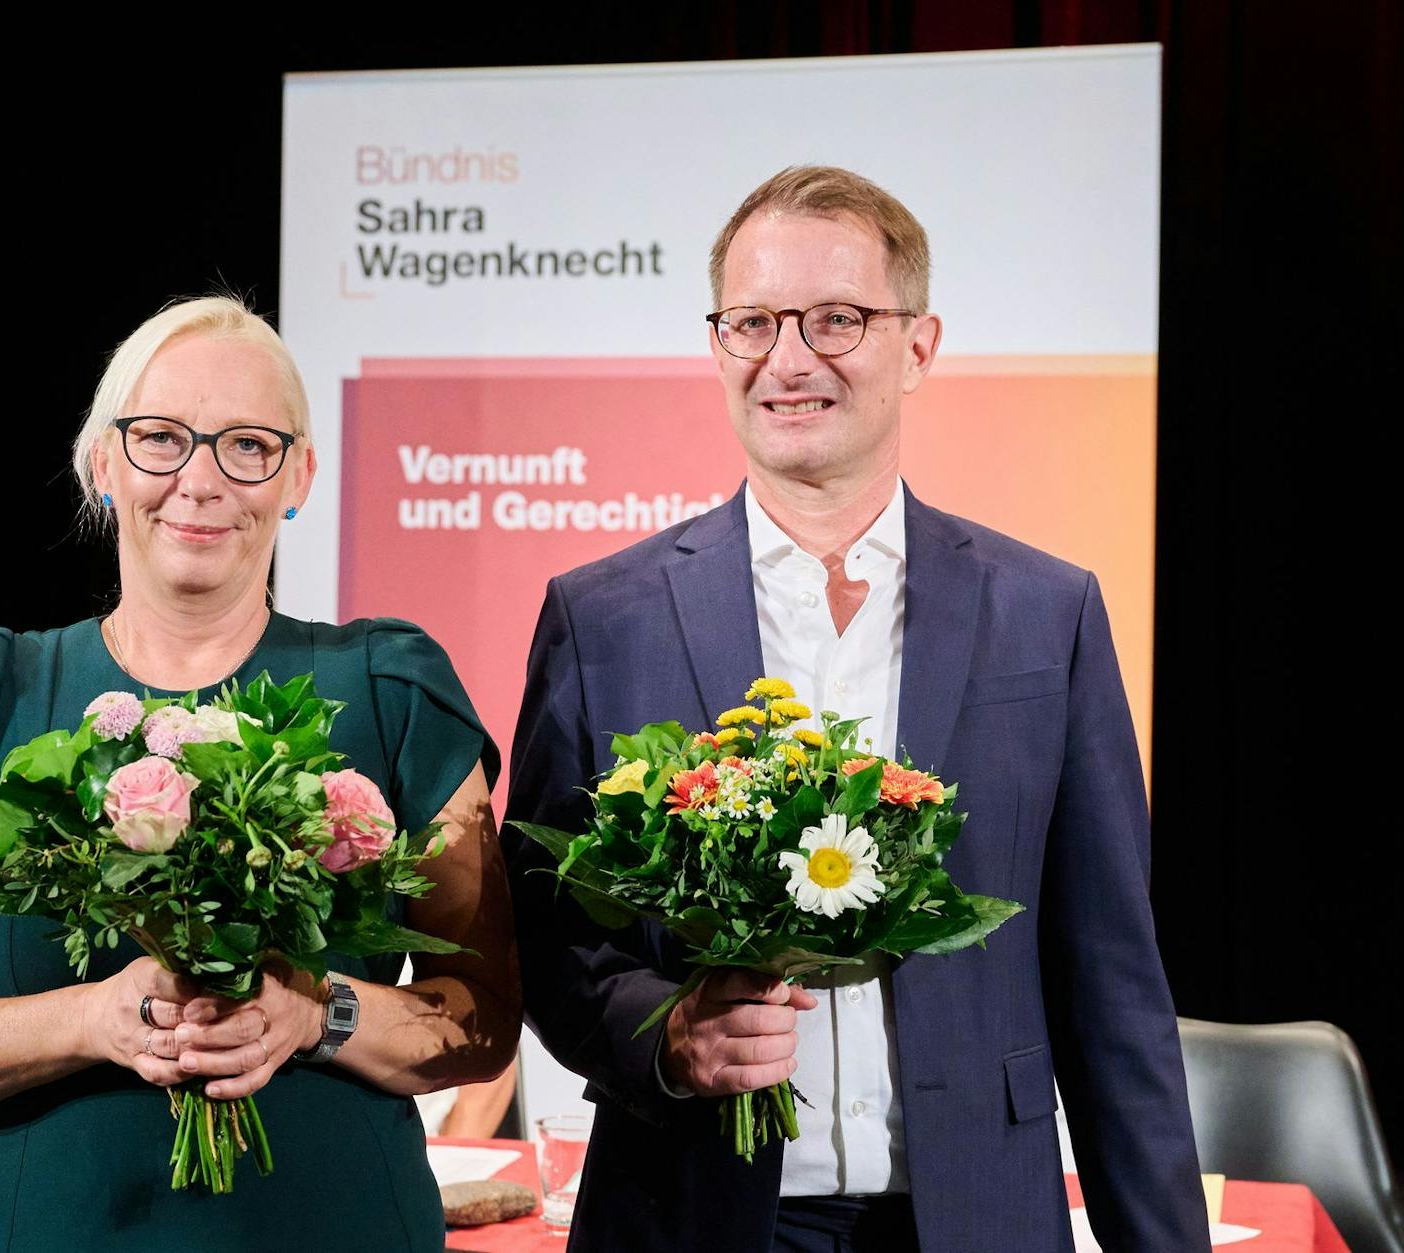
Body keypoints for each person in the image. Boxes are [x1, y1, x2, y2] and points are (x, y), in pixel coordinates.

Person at [505, 167, 1209, 1252]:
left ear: (917, 345)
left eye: (835, 318)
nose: (787, 358)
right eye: (751, 321)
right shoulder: (602, 618)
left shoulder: (1043, 613)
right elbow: (548, 944)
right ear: (716, 345)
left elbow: (1111, 985)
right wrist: (667, 1031)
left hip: (970, 1215)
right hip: (688, 1209)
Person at [0, 296, 520, 1250]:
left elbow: (484, 1020)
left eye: (248, 445)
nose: (199, 480)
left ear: (300, 476)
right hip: (57, 1227)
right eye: (161, 438)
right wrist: (95, 1018)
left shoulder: (392, 686)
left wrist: (313, 1012)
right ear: (104, 461)